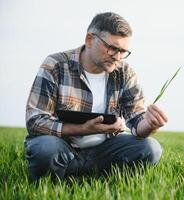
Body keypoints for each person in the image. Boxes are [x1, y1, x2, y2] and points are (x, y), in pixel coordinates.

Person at [24, 12, 168, 181]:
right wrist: (83, 129)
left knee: (151, 148)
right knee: (45, 148)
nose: (117, 57)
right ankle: (65, 177)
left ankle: (91, 176)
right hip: (63, 147)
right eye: (112, 48)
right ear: (90, 39)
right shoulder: (55, 65)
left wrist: (150, 124)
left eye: (123, 51)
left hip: (103, 151)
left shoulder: (125, 73)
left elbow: (136, 121)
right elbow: (35, 121)